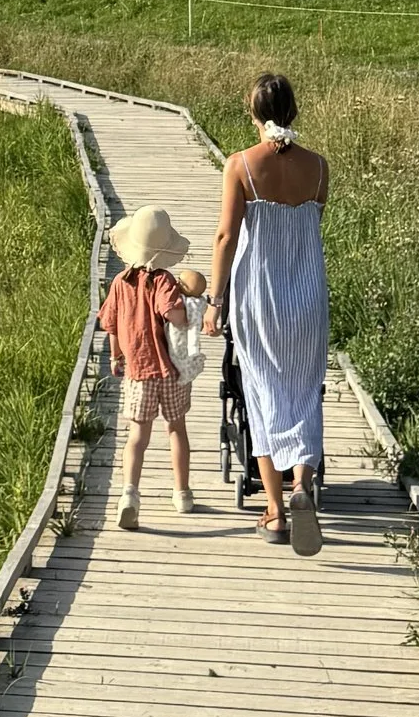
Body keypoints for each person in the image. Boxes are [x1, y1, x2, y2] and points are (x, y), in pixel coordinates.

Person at [203, 72, 330, 554]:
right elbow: (308, 229)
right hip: (308, 299)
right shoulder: (319, 169)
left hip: (258, 300)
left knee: (261, 394)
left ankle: (276, 512)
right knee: (304, 393)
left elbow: (226, 238)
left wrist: (216, 302)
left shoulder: (241, 165)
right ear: (294, 111)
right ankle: (302, 487)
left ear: (252, 113)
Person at [98, 205, 205, 531]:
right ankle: (182, 494)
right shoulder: (164, 281)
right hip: (171, 372)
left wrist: (117, 357)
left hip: (139, 372)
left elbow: (112, 326)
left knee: (137, 436)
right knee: (176, 430)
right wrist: (190, 315)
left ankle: (129, 493)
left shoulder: (120, 282)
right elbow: (172, 314)